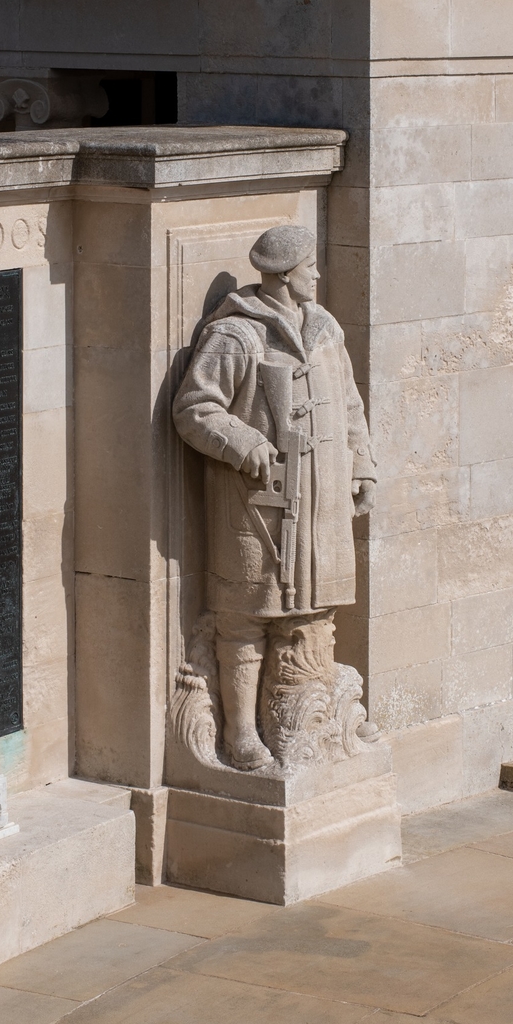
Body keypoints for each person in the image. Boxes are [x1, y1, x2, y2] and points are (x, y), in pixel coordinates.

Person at [173, 225, 376, 769]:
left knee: (309, 613)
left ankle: (302, 728)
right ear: (286, 273)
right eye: (310, 265)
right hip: (256, 503)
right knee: (246, 615)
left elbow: (350, 404)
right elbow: (194, 407)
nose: (317, 273)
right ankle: (242, 734)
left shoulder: (327, 330)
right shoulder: (237, 336)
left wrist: (363, 468)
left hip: (320, 502)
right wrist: (243, 442)